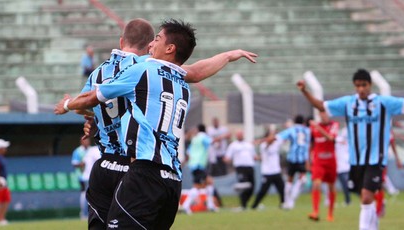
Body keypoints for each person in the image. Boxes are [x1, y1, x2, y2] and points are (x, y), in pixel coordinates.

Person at [55, 18, 258, 229]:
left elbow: (89, 99)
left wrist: (68, 105)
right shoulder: (178, 78)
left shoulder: (138, 69)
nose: (153, 44)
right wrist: (227, 55)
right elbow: (196, 72)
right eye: (152, 40)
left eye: (158, 40)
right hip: (172, 177)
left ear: (121, 40)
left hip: (138, 169)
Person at [297, 69, 404, 230]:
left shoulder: (383, 103)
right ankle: (374, 223)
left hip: (375, 159)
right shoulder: (348, 103)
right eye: (358, 86)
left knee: (366, 197)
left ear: (370, 85)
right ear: (354, 86)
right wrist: (304, 91)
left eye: (364, 85)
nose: (361, 89)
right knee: (364, 198)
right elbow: (321, 105)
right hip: (356, 161)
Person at [307, 111, 339, 222]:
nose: (323, 117)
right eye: (321, 114)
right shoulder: (314, 129)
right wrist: (308, 160)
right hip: (318, 161)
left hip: (331, 161)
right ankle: (315, 212)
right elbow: (311, 144)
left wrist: (318, 128)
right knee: (316, 184)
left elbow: (331, 138)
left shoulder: (334, 125)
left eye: (325, 114)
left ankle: (330, 214)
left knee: (331, 186)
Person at [275, 114, 311, 209]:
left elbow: (279, 137)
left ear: (295, 121)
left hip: (292, 159)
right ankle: (291, 200)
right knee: (302, 179)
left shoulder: (292, 130)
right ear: (303, 122)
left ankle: (287, 201)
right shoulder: (307, 131)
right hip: (303, 159)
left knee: (289, 180)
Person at [182, 124, 217, 214]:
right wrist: (224, 136)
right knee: (197, 186)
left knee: (209, 182)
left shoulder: (193, 140)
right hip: (199, 164)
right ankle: (186, 205)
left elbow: (188, 154)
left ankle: (210, 205)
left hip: (194, 165)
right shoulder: (202, 137)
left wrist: (183, 163)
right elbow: (212, 141)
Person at [251, 130, 285, 210]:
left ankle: (283, 203)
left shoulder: (276, 143)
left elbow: (282, 138)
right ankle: (254, 205)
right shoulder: (263, 145)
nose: (273, 137)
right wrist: (266, 139)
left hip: (276, 171)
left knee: (282, 189)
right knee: (263, 191)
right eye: (271, 135)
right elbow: (268, 143)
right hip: (267, 172)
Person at [224, 130, 257, 211]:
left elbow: (254, 156)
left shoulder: (249, 145)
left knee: (252, 186)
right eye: (238, 135)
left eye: (241, 134)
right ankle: (243, 205)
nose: (240, 136)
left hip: (250, 166)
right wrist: (228, 161)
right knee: (244, 186)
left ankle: (245, 202)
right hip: (240, 167)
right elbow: (227, 157)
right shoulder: (233, 145)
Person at [81, 143, 102, 220]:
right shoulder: (97, 150)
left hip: (85, 175)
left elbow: (83, 163)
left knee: (85, 194)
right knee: (93, 196)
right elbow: (100, 160)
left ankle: (84, 214)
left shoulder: (89, 150)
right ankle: (90, 214)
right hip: (92, 176)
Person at [71, 138, 91, 219]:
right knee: (84, 194)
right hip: (82, 176)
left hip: (91, 176)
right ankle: (83, 213)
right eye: (85, 140)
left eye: (88, 140)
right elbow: (74, 163)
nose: (87, 142)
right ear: (81, 141)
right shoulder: (78, 151)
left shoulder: (92, 150)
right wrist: (83, 164)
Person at [335, 127, 351, 206]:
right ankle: (347, 200)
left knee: (346, 185)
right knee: (345, 185)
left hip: (344, 166)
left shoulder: (341, 141)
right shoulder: (337, 140)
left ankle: (348, 200)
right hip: (340, 166)